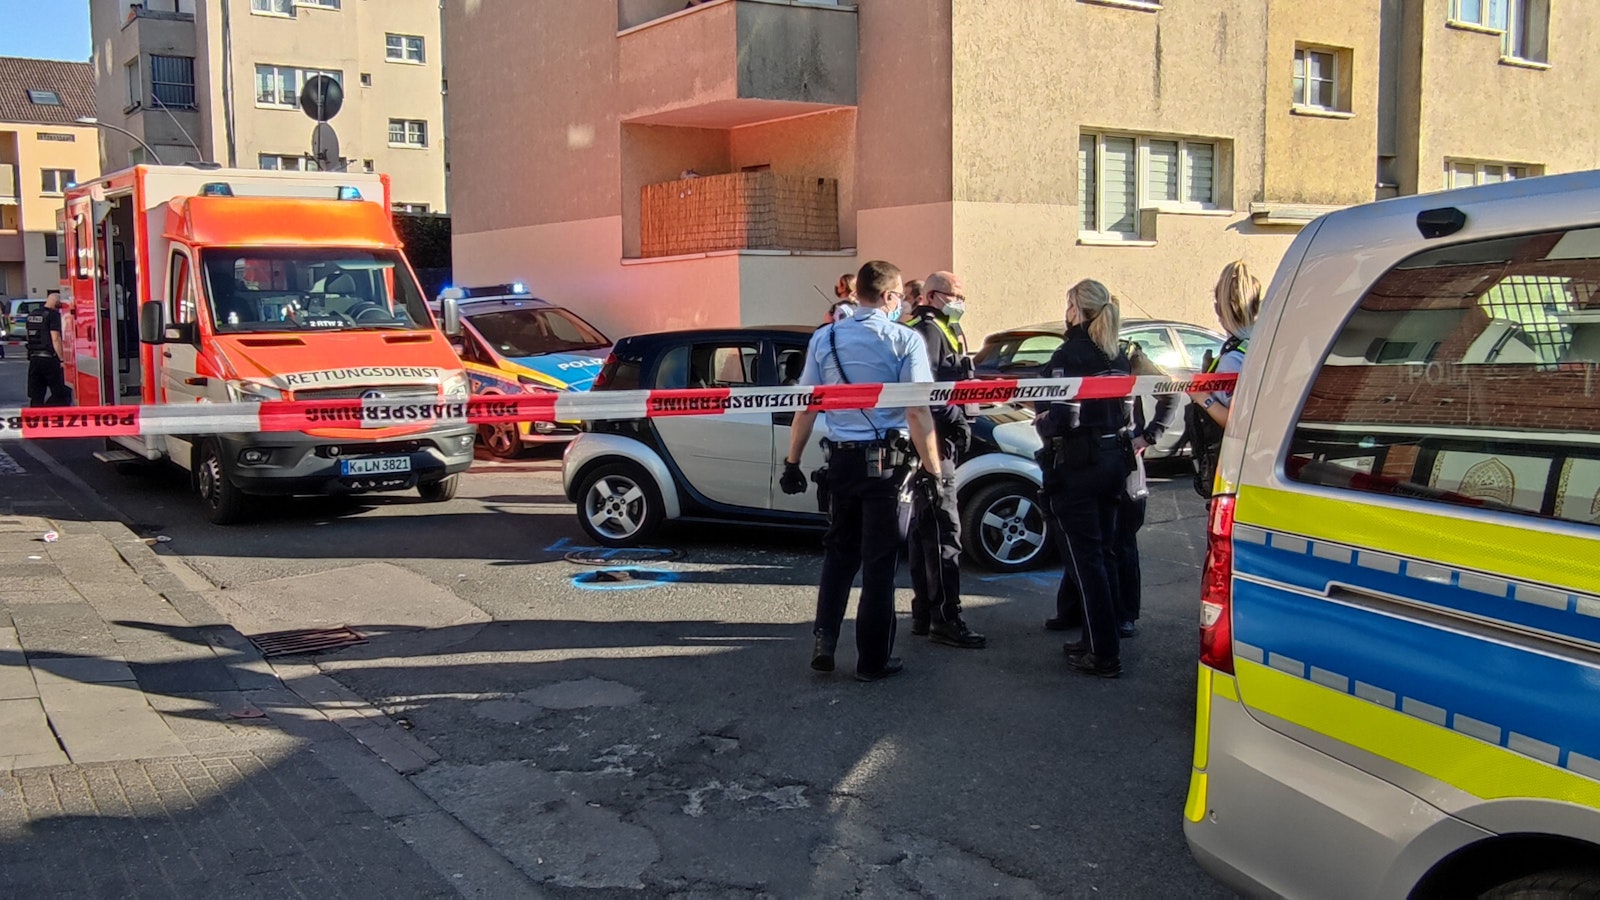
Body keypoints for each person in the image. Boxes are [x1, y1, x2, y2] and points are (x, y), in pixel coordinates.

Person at [781, 260, 945, 682]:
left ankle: (825, 641)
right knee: (878, 563)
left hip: (841, 461)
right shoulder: (904, 340)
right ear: (890, 297)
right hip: (886, 467)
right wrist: (934, 469)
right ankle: (873, 661)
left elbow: (808, 405)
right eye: (898, 300)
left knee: (839, 554)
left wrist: (792, 461)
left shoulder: (825, 336)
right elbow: (916, 410)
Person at [1044, 328, 1179, 639]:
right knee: (1086, 542)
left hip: (1123, 456)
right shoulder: (1079, 351)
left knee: (1121, 541)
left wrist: (1149, 436)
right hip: (1094, 455)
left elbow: (1170, 391)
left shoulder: (1127, 352)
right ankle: (1074, 610)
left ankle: (1124, 614)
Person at [1036, 279, 1131, 678]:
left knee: (1086, 559)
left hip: (1078, 466)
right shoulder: (1119, 354)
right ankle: (1096, 639)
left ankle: (1103, 653)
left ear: (1077, 308)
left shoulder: (1071, 354)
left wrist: (1043, 421)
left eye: (1068, 304)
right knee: (1104, 554)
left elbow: (1059, 415)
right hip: (1113, 460)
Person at [902, 271, 984, 648]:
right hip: (935, 441)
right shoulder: (929, 331)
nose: (960, 302)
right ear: (933, 296)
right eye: (955, 295)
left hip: (935, 438)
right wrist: (956, 419)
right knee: (942, 533)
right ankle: (946, 618)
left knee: (924, 531)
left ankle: (924, 612)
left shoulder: (941, 327)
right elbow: (928, 390)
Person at [1187, 260, 1262, 498]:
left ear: (1222, 308)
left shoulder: (1233, 357)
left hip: (1232, 465)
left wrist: (1202, 397)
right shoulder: (1259, 342)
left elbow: (1235, 421)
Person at [25, 291, 70, 407]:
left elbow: (28, 336)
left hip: (34, 359)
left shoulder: (32, 315)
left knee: (36, 395)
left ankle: (36, 419)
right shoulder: (53, 316)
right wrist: (61, 359)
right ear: (57, 303)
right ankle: (50, 413)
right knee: (61, 393)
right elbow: (55, 339)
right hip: (49, 360)